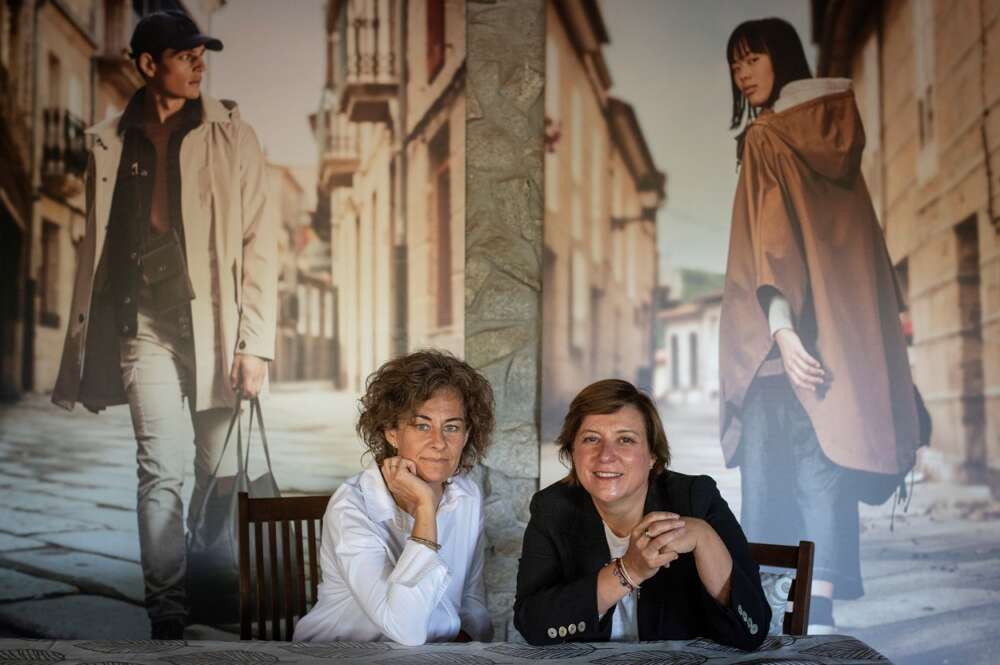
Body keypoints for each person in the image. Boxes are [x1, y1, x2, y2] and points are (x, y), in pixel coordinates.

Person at [51, 11, 276, 639]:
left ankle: (209, 583)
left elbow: (260, 246)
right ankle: (168, 610)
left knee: (217, 466)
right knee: (159, 467)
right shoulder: (107, 140)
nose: (201, 64)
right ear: (149, 65)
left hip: (213, 330)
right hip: (140, 325)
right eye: (186, 55)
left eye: (204, 53)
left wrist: (254, 344)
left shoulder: (235, 135)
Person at [719, 18, 920, 633]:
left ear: (782, 58)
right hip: (839, 351)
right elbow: (866, 245)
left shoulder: (766, 139)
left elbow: (770, 242)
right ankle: (820, 615)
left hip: (779, 353)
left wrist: (779, 326)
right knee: (824, 472)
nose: (742, 74)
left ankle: (775, 615)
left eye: (753, 58)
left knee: (772, 481)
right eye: (734, 65)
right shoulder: (841, 134)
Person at [514, 379, 769, 649]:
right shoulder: (552, 507)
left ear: (652, 456)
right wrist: (629, 571)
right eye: (591, 439)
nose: (606, 455)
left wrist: (704, 537)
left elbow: (752, 629)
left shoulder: (696, 498)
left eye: (625, 439)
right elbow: (532, 624)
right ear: (572, 452)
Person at [293, 350, 495, 645]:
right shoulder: (352, 505)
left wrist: (472, 644)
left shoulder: (468, 496)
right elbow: (405, 629)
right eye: (422, 425)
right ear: (391, 432)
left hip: (433, 654)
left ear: (465, 436)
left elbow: (469, 600)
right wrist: (425, 509)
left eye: (451, 427)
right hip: (342, 655)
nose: (439, 443)